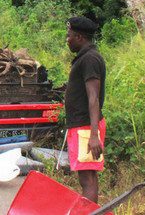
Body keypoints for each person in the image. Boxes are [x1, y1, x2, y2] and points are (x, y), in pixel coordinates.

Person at [64, 16, 106, 203]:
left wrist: (94, 135)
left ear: (79, 37)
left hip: (86, 128)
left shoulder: (89, 59)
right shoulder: (85, 57)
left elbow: (93, 97)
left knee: (87, 179)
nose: (67, 39)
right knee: (88, 176)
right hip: (83, 126)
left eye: (69, 35)